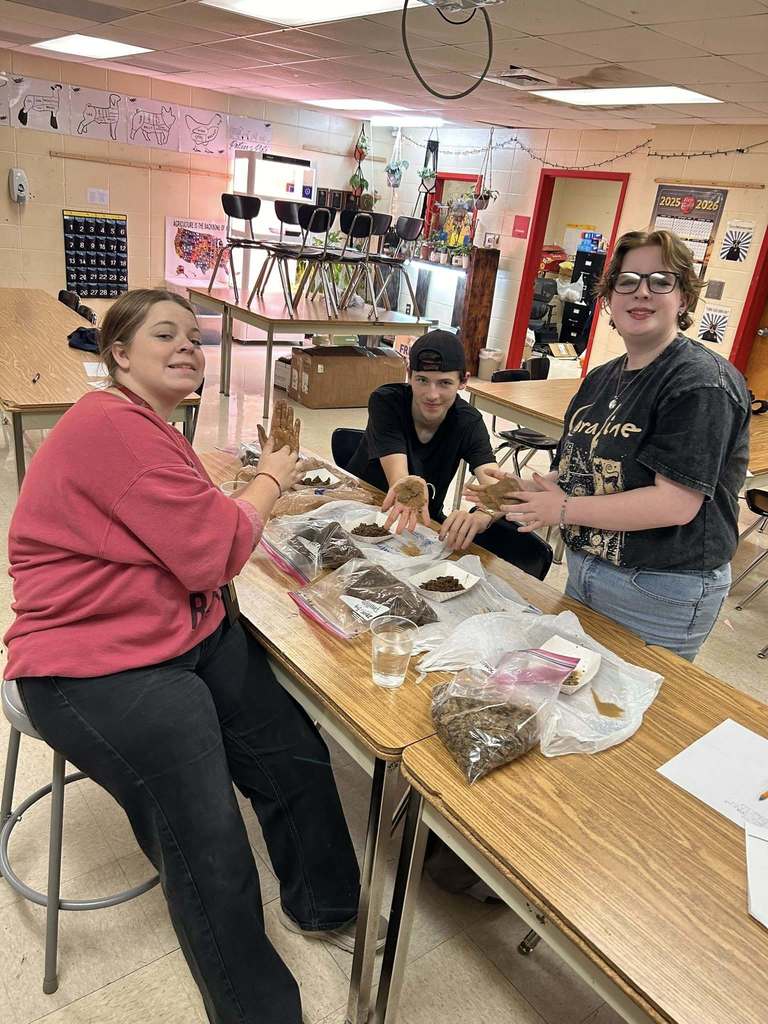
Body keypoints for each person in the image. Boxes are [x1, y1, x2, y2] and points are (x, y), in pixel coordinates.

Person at [3, 289, 368, 1024]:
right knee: (210, 844)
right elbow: (211, 551)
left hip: (180, 631)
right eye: (163, 335)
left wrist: (243, 497)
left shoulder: (150, 425)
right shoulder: (111, 424)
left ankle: (325, 905)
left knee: (290, 749)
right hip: (94, 663)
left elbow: (190, 533)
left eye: (194, 339)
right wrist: (272, 476)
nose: (186, 348)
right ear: (119, 355)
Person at [473, 229, 751, 661]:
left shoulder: (700, 383)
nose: (642, 292)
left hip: (660, 584)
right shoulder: (602, 377)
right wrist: (525, 492)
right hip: (589, 565)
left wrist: (561, 510)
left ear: (683, 298)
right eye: (627, 281)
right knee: (574, 689)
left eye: (661, 281)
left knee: (630, 707)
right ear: (609, 297)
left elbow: (675, 504)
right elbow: (580, 469)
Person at [347, 329, 507, 551]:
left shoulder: (468, 422)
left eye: (444, 383)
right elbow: (399, 479)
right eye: (422, 380)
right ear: (409, 374)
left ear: (463, 381)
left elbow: (497, 484)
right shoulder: (386, 402)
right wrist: (407, 485)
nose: (432, 395)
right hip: (361, 508)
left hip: (418, 523)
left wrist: (484, 514)